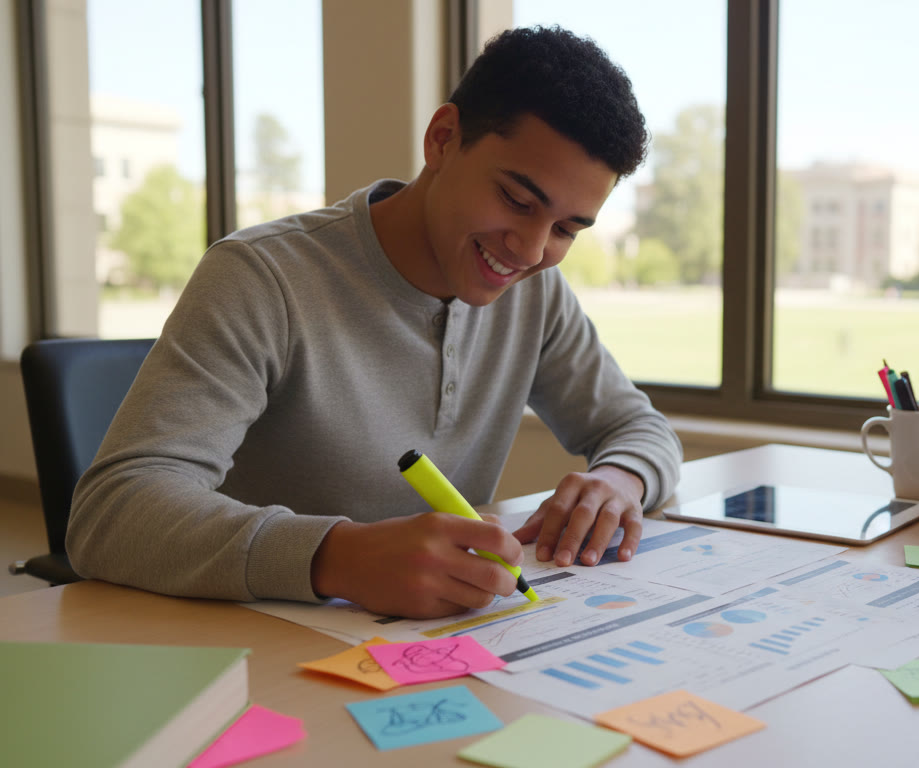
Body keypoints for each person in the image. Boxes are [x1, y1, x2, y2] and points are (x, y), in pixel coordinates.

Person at [67, 26, 682, 620]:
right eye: (517, 201)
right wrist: (336, 557)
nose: (530, 249)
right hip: (253, 650)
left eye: (567, 229)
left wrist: (619, 480)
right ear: (442, 139)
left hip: (428, 648)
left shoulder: (536, 295)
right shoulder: (262, 277)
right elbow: (111, 513)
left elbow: (638, 427)